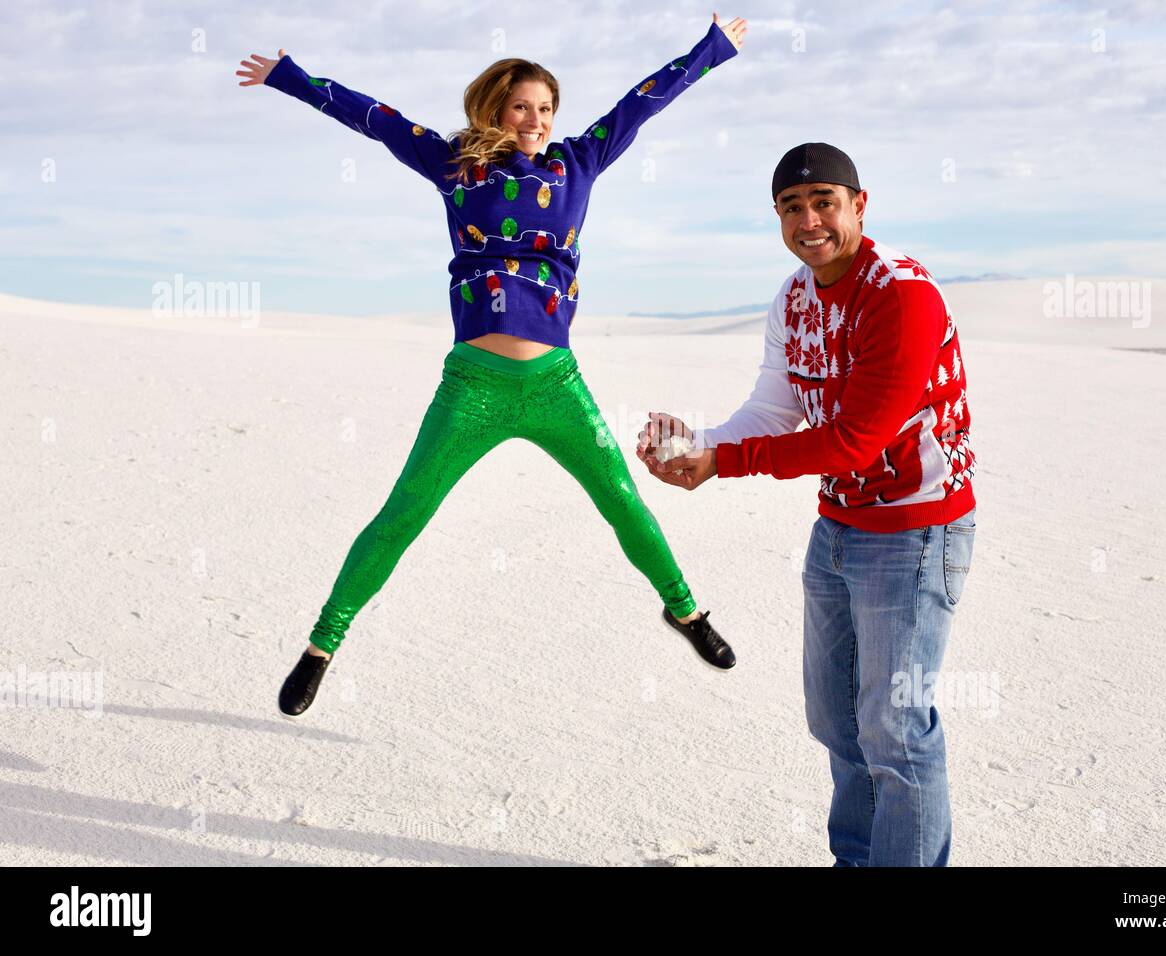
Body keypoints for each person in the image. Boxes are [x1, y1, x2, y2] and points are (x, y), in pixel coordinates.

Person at [236, 14, 748, 717]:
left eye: (545, 108)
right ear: (494, 110)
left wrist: (711, 50)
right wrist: (291, 77)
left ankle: (686, 611)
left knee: (622, 500)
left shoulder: (579, 163)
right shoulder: (458, 165)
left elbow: (642, 102)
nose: (536, 119)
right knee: (405, 511)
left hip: (556, 386)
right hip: (472, 386)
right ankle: (322, 645)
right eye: (522, 106)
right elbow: (376, 119)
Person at [636, 143, 977, 866]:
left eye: (824, 200)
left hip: (916, 530)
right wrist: (695, 445)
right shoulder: (794, 297)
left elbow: (854, 439)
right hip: (838, 531)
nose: (809, 219)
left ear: (859, 205)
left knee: (895, 727)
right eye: (792, 206)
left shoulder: (901, 294)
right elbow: (775, 407)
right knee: (838, 722)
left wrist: (722, 464)